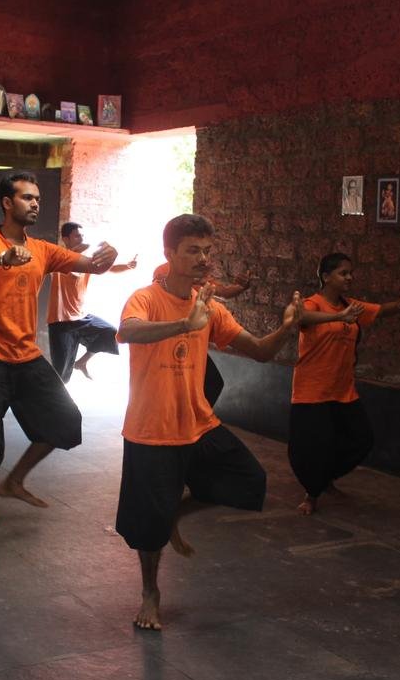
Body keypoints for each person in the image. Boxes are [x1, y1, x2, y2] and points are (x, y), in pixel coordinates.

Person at [116, 213, 301, 631]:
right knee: (147, 529)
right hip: (152, 428)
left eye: (208, 251)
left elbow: (258, 351)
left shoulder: (210, 306)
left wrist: (288, 328)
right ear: (170, 253)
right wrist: (183, 324)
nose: (203, 259)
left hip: (198, 423)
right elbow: (128, 331)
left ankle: (175, 514)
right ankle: (150, 592)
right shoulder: (144, 297)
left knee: (250, 480)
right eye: (193, 250)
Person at [0, 171, 118, 536]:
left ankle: (15, 480)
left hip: (26, 355)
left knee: (67, 422)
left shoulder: (43, 250)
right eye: (27, 197)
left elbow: (90, 266)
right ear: (7, 203)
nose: (35, 203)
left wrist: (106, 257)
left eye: (37, 198)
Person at [289, 253, 400, 514]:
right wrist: (338, 317)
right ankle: (312, 494)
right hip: (313, 389)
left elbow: (377, 310)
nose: (349, 278)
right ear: (326, 277)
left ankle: (325, 477)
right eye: (343, 273)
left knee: (361, 440)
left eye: (350, 273)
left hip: (343, 389)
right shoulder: (314, 303)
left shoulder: (350, 306)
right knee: (314, 446)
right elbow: (302, 319)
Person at [152, 260, 252, 406]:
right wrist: (190, 278)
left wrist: (241, 287)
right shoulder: (163, 270)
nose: (201, 256)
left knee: (213, 383)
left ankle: (195, 420)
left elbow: (223, 292)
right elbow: (162, 283)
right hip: (167, 340)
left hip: (190, 342)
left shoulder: (200, 277)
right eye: (193, 250)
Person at [46, 222, 136, 382]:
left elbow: (110, 268)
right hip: (61, 322)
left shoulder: (86, 261)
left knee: (110, 333)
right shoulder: (58, 257)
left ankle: (82, 362)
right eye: (77, 236)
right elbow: (68, 259)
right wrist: (77, 251)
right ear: (65, 239)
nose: (82, 238)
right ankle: (50, 403)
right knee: (62, 376)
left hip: (81, 318)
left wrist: (128, 266)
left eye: (83, 235)